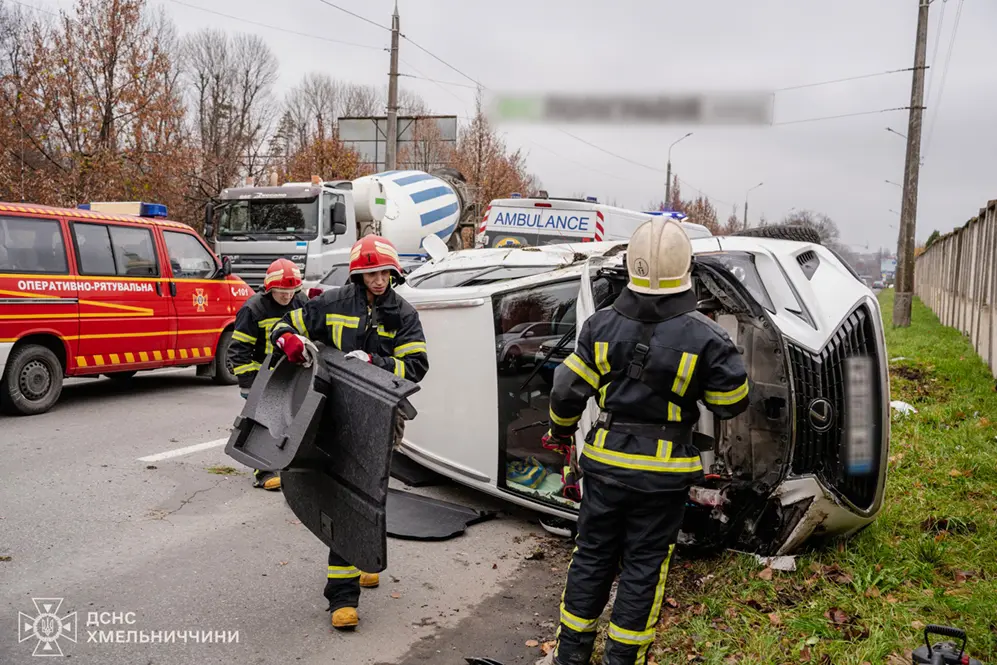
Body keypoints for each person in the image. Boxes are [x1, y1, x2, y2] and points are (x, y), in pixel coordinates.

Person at [545, 218, 750, 665]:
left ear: (630, 267)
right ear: (686, 268)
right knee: (644, 566)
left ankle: (570, 656)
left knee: (592, 555)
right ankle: (621, 659)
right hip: (663, 478)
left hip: (605, 466)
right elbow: (730, 403)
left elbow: (565, 390)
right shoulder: (708, 336)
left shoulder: (599, 327)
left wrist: (560, 431)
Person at [268, 234, 428, 632]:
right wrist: (290, 341)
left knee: (370, 492)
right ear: (358, 276)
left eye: (385, 273)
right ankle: (342, 595)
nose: (379, 280)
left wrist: (374, 361)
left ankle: (364, 554)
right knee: (345, 496)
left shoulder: (403, 314)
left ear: (394, 273)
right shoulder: (332, 302)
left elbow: (417, 366)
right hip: (334, 412)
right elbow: (284, 325)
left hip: (381, 416)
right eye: (371, 274)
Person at [229, 258, 308, 491]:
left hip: (293, 374)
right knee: (263, 425)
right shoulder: (253, 309)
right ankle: (263, 471)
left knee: (293, 424)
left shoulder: (301, 302)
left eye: (291, 291)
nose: (287, 296)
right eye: (282, 291)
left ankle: (288, 467)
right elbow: (238, 350)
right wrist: (250, 385)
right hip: (262, 375)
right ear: (269, 288)